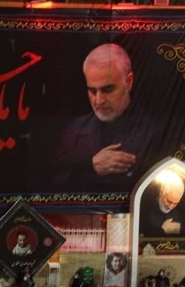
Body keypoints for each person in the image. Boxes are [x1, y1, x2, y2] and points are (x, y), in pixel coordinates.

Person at [51, 42, 160, 191]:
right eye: (92, 91)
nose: (99, 101)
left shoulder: (154, 133)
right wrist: (90, 168)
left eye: (108, 90)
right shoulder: (75, 131)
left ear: (128, 82)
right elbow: (55, 187)